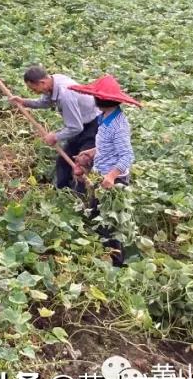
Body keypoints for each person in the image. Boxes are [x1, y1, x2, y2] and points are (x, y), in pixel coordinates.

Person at [69, 74, 140, 267]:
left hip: (114, 183)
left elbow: (126, 156)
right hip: (102, 176)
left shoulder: (118, 126)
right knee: (95, 215)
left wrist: (111, 176)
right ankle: (99, 254)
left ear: (100, 100)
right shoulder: (105, 117)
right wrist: (90, 153)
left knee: (111, 225)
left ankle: (117, 265)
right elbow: (106, 146)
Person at [10, 66, 99, 190]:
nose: (34, 92)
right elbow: (46, 102)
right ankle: (62, 192)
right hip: (80, 125)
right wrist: (25, 102)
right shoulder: (53, 81)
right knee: (63, 161)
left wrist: (55, 137)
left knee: (81, 167)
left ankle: (82, 201)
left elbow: (75, 127)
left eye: (33, 89)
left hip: (93, 127)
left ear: (42, 82)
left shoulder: (65, 95)